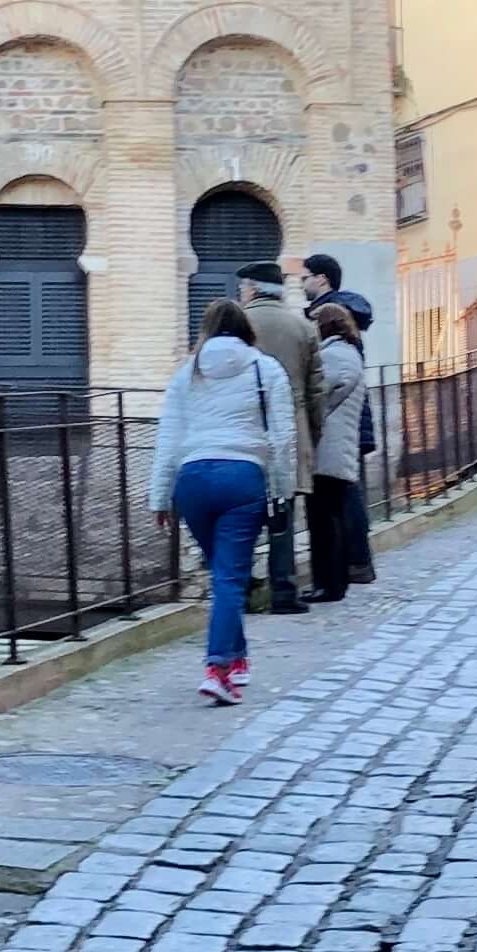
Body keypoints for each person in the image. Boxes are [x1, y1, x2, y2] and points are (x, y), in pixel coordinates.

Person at [148, 297, 296, 703]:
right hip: (241, 479)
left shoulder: (187, 374)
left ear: (207, 330)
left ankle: (238, 657)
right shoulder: (266, 370)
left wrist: (160, 496)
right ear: (246, 328)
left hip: (192, 480)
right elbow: (283, 437)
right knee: (230, 578)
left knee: (223, 574)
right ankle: (217, 668)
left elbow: (169, 438)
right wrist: (283, 489)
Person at [238, 258, 325, 615]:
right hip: (292, 428)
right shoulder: (303, 327)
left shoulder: (238, 323)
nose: (241, 293)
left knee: (241, 515)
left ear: (254, 289)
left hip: (244, 427)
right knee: (283, 513)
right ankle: (284, 592)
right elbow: (317, 388)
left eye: (243, 287)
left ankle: (241, 589)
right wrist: (312, 432)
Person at [304, 252, 381, 589]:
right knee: (345, 496)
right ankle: (354, 564)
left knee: (340, 499)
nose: (301, 282)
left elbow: (326, 385)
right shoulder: (343, 319)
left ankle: (354, 564)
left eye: (305, 276)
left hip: (339, 424)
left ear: (321, 278)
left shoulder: (332, 319)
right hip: (350, 421)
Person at [306, 299, 367, 604]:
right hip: (338, 449)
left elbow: (318, 395)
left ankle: (327, 585)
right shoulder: (347, 352)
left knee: (323, 521)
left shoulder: (333, 356)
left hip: (328, 451)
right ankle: (333, 583)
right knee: (332, 519)